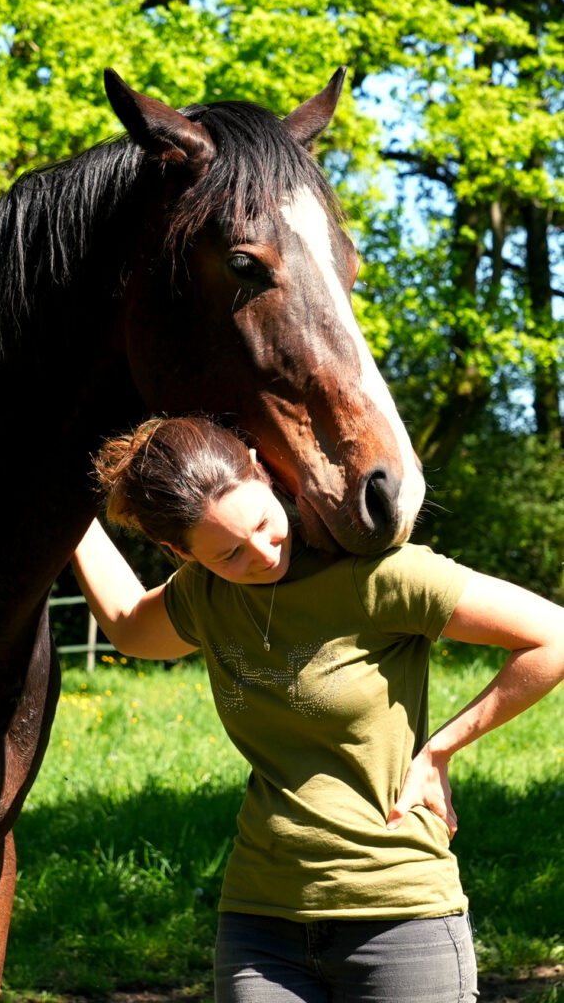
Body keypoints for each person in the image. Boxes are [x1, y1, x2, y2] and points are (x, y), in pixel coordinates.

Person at [72, 415, 564, 1003]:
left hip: (399, 916)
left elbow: (552, 637)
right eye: (229, 553)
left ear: (260, 466)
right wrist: (62, 507)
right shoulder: (204, 596)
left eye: (262, 522)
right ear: (181, 552)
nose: (261, 553)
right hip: (260, 924)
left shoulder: (375, 575)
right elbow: (130, 627)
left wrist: (440, 749)